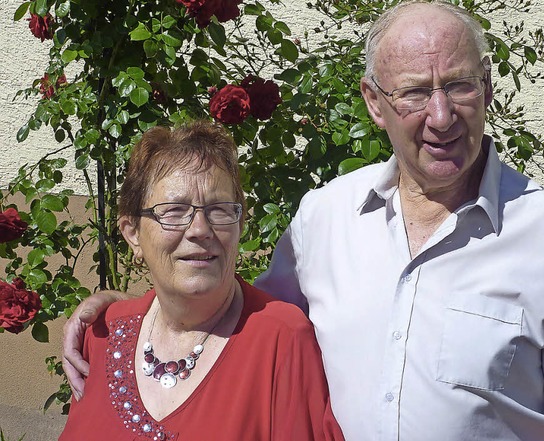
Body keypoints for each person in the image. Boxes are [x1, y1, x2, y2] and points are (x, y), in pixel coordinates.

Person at [63, 1, 544, 440]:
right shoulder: (326, 217)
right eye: (415, 92)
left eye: (460, 86)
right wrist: (127, 311)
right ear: (373, 101)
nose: (441, 116)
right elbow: (232, 320)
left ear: (486, 88)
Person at [58, 120, 344, 440]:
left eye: (219, 209)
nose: (199, 230)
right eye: (174, 210)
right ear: (133, 233)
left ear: (240, 225)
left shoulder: (282, 337)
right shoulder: (102, 334)